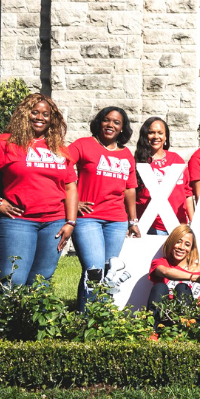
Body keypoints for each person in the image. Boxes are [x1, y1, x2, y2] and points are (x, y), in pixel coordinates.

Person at [0, 93, 77, 287]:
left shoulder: (59, 149)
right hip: (18, 221)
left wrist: (70, 221)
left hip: (54, 223)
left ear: (52, 119)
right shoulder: (6, 142)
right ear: (24, 114)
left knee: (41, 281)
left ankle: (30, 319)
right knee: (12, 279)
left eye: (45, 114)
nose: (40, 117)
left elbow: (69, 186)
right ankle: (2, 318)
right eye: (34, 112)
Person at [69, 106, 138, 309]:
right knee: (93, 270)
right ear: (99, 122)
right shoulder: (84, 145)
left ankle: (101, 319)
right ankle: (85, 319)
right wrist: (73, 201)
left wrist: (132, 221)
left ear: (122, 128)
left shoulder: (126, 155)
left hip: (116, 221)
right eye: (107, 120)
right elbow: (61, 166)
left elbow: (129, 189)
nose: (111, 125)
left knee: (110, 272)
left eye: (117, 122)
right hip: (88, 218)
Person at [146, 224, 200, 322]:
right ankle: (152, 333)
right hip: (164, 319)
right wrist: (195, 278)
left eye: (187, 244)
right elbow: (166, 272)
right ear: (171, 242)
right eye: (178, 242)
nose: (181, 247)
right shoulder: (161, 263)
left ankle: (186, 332)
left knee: (183, 288)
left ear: (192, 248)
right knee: (160, 287)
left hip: (192, 320)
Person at [134, 117, 194, 236]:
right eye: (151, 133)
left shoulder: (176, 159)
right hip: (150, 227)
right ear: (145, 135)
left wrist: (193, 222)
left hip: (178, 226)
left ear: (166, 137)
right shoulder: (138, 162)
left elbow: (187, 193)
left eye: (160, 133)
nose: (156, 136)